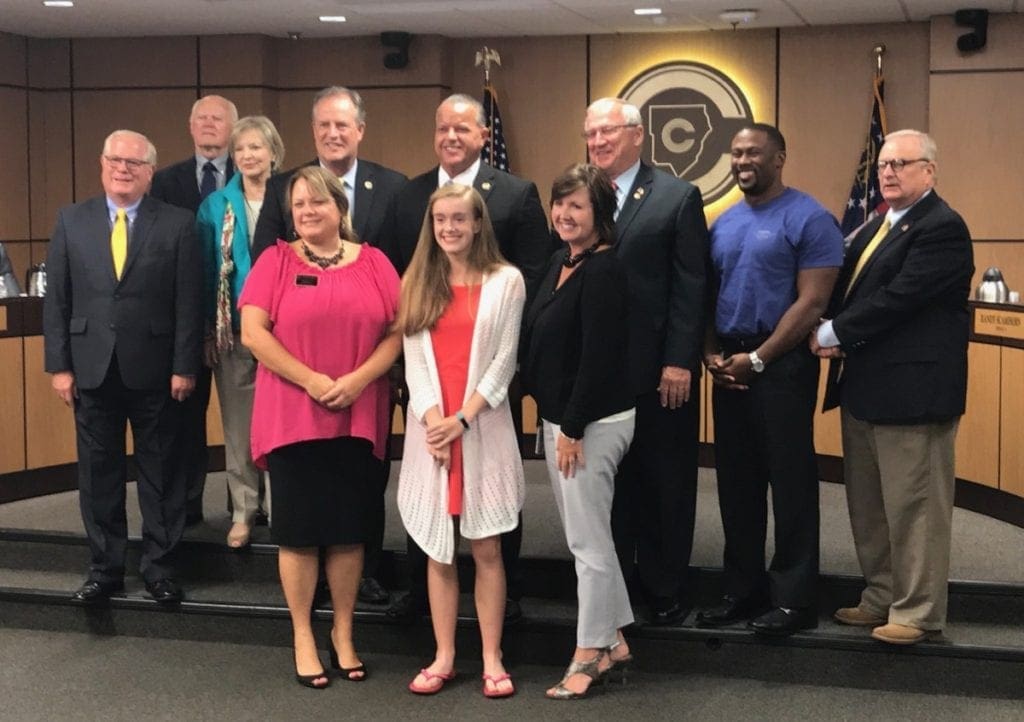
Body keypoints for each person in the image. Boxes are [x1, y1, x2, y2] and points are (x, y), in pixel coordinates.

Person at [389, 92, 552, 623]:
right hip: (429, 392)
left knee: (492, 507)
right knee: (431, 512)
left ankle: (508, 602)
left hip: (489, 385)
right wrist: (427, 405)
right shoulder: (410, 194)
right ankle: (423, 599)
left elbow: (533, 281)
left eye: (463, 129)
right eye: (443, 129)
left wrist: (496, 381)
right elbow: (404, 291)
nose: (451, 138)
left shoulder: (516, 193)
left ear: (484, 135)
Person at [239, 166, 401, 688]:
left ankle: (344, 633)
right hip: (293, 414)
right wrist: (312, 380)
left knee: (350, 533)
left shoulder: (375, 262)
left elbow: (399, 334)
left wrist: (356, 381)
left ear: (340, 208)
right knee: (301, 534)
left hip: (357, 411)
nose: (308, 212)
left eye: (319, 203)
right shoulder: (275, 260)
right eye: (300, 205)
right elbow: (252, 334)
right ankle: (304, 634)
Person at [813, 129, 974, 646]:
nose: (888, 172)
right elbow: (850, 285)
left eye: (901, 163)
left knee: (915, 507)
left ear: (929, 171)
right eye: (884, 163)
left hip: (914, 395)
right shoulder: (877, 224)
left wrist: (836, 331)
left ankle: (919, 611)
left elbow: (901, 298)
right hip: (865, 390)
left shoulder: (942, 227)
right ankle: (882, 596)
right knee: (871, 505)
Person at [250, 85, 407, 604]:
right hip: (295, 398)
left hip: (364, 390)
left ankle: (366, 576)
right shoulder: (280, 201)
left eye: (342, 125)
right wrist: (312, 379)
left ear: (360, 129)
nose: (333, 133)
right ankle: (310, 592)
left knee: (359, 499)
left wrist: (365, 377)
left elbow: (398, 313)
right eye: (323, 125)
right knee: (302, 509)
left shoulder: (394, 189)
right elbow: (257, 317)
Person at [43, 129, 202, 605]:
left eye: (134, 162)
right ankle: (105, 569)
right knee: (98, 475)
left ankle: (160, 568)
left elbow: (188, 302)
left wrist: (184, 365)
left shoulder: (177, 223)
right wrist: (59, 367)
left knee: (160, 473)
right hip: (90, 370)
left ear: (150, 172)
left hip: (157, 371)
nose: (123, 168)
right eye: (116, 159)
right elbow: (59, 301)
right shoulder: (72, 221)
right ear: (102, 163)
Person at [698, 124, 843, 636]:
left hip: (780, 366)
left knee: (790, 483)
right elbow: (708, 295)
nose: (742, 160)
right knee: (736, 485)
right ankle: (743, 591)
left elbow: (813, 303)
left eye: (753, 152)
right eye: (736, 153)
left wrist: (758, 358)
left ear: (779, 157)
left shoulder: (810, 217)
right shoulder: (723, 222)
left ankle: (794, 600)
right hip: (730, 366)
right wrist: (712, 354)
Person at [396, 183, 524, 698]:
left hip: (481, 429)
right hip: (433, 435)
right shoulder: (418, 281)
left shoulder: (506, 280)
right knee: (439, 553)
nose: (449, 228)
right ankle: (444, 655)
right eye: (440, 219)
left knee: (486, 548)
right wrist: (434, 422)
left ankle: (492, 658)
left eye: (459, 219)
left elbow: (504, 363)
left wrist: (462, 422)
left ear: (477, 225)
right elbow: (415, 365)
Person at [583, 97, 707, 625]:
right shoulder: (578, 196)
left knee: (664, 480)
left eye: (607, 132)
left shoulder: (676, 196)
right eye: (590, 134)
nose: (597, 142)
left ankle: (664, 587)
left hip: (660, 373)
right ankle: (617, 587)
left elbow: (691, 285)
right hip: (599, 372)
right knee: (608, 485)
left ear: (637, 135)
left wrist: (679, 360)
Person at [521, 164, 635, 699]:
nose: (564, 215)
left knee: (588, 543)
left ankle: (588, 653)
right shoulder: (558, 261)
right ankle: (614, 636)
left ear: (600, 215)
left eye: (577, 207)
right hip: (561, 419)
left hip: (589, 424)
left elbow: (598, 360)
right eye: (559, 204)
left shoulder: (606, 271)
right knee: (586, 537)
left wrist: (570, 427)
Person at [150, 93, 239, 527]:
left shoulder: (258, 176)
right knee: (186, 418)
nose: (208, 125)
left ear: (233, 130)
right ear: (190, 127)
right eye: (201, 118)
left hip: (243, 320)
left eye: (217, 119)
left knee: (245, 419)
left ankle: (246, 506)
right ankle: (187, 504)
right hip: (185, 318)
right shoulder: (165, 183)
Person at [196, 115, 285, 549]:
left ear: (273, 152)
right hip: (232, 332)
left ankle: (284, 507)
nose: (248, 156)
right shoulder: (215, 206)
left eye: (256, 147)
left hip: (286, 334)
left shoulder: (293, 197)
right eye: (241, 150)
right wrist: (208, 330)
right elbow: (206, 271)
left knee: (284, 424)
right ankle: (244, 511)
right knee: (239, 427)